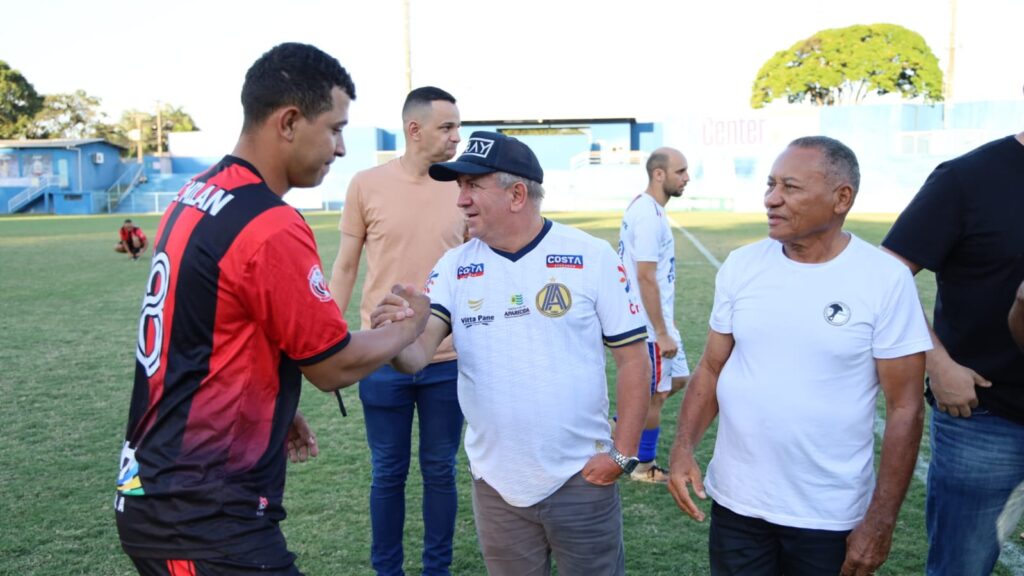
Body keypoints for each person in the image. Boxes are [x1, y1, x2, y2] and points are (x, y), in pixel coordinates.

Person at [114, 43, 430, 576]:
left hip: (165, 491)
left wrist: (270, 401)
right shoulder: (268, 222)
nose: (341, 147)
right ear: (288, 122)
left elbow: (205, 330)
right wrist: (411, 327)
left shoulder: (197, 193)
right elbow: (332, 366)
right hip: (202, 514)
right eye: (334, 128)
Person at [372, 131, 651, 575]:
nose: (460, 199)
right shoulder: (455, 266)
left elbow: (634, 358)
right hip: (497, 488)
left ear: (517, 194)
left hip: (581, 478)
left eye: (472, 186)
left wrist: (622, 454)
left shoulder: (590, 256)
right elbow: (417, 359)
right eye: (459, 186)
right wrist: (396, 335)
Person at [667, 136, 931, 576]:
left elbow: (906, 408)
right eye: (770, 185)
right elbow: (712, 368)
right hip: (737, 504)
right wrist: (682, 449)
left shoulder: (884, 280)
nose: (772, 199)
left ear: (840, 198)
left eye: (790, 187)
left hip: (828, 516)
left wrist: (881, 522)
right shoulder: (742, 265)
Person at [327, 86, 465, 576]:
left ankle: (437, 570)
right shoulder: (365, 184)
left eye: (457, 126)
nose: (456, 136)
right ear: (414, 129)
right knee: (387, 474)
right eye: (447, 127)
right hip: (380, 358)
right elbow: (344, 268)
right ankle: (388, 571)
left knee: (440, 472)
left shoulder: (461, 187)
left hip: (446, 361)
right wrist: (325, 337)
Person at [881, 126, 1024, 575]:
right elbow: (887, 276)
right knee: (962, 566)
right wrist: (937, 361)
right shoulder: (967, 178)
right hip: (985, 413)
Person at [617, 146, 691, 483]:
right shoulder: (647, 215)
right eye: (680, 172)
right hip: (649, 326)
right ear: (658, 174)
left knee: (677, 381)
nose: (686, 178)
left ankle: (619, 424)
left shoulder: (649, 209)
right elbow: (645, 275)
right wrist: (661, 332)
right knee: (657, 395)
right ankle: (643, 467)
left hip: (657, 321)